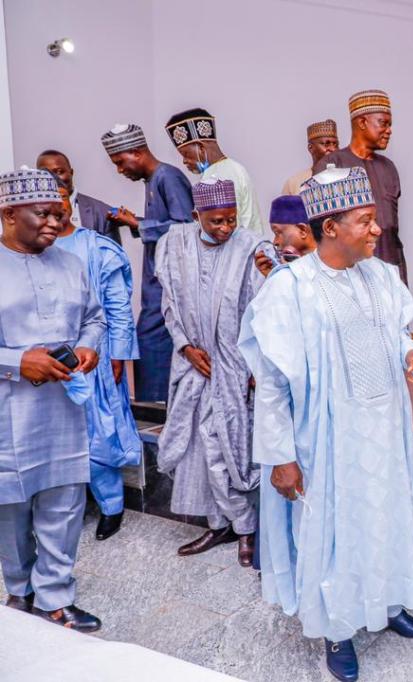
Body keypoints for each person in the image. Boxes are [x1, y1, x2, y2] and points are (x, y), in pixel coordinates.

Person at [239, 165, 413, 682]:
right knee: (332, 530)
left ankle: (389, 602)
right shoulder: (290, 289)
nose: (377, 229)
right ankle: (338, 628)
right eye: (365, 221)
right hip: (327, 438)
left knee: (388, 514)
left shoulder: (382, 275)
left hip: (384, 429)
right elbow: (272, 383)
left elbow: (395, 330)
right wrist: (280, 456)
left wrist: (410, 351)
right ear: (330, 227)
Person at [0, 168, 105, 631]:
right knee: (10, 507)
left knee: (64, 504)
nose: (55, 223)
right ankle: (19, 590)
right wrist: (15, 362)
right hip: (9, 413)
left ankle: (55, 598)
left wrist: (88, 346)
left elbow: (95, 318)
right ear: (9, 214)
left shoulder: (71, 264)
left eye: (59, 214)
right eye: (43, 214)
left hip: (64, 409)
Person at [155, 178, 262, 567]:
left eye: (231, 219)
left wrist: (257, 364)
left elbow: (263, 309)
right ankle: (221, 524)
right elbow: (170, 304)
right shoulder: (176, 244)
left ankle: (246, 527)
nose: (226, 228)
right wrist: (185, 347)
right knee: (202, 449)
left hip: (234, 366)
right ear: (196, 215)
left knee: (229, 447)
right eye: (216, 220)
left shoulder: (251, 247)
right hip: (194, 363)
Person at [53, 185, 142, 542]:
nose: (52, 209)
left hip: (94, 358)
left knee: (99, 434)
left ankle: (111, 506)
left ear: (69, 202)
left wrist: (118, 353)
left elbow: (118, 306)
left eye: (59, 199)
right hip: (47, 364)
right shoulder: (25, 253)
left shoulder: (97, 248)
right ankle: (66, 509)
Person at [101, 122, 194, 402]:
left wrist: (138, 225)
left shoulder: (168, 176)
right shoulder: (153, 181)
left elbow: (186, 229)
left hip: (168, 289)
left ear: (138, 152)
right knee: (149, 348)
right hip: (156, 287)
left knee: (151, 346)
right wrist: (136, 222)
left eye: (120, 162)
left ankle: (157, 417)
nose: (120, 170)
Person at [314, 90, 407, 282]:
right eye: (383, 123)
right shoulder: (332, 165)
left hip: (390, 270)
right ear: (363, 122)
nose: (389, 130)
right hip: (348, 275)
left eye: (390, 125)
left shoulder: (389, 168)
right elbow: (322, 233)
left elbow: (391, 229)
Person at [164, 108, 268, 235]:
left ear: (201, 148)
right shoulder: (234, 167)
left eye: (185, 154)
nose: (184, 161)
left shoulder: (217, 177)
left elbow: (223, 230)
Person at [36, 150, 119, 245]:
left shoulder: (102, 212)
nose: (52, 178)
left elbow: (112, 250)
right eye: (45, 174)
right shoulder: (30, 214)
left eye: (59, 172)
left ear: (71, 173)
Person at [254, 194, 318, 277]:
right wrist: (272, 276)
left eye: (278, 233)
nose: (275, 242)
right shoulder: (297, 266)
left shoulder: (328, 265)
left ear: (302, 230)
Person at [281, 119, 339, 196]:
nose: (333, 149)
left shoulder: (349, 178)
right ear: (310, 148)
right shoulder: (294, 183)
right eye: (326, 144)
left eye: (335, 144)